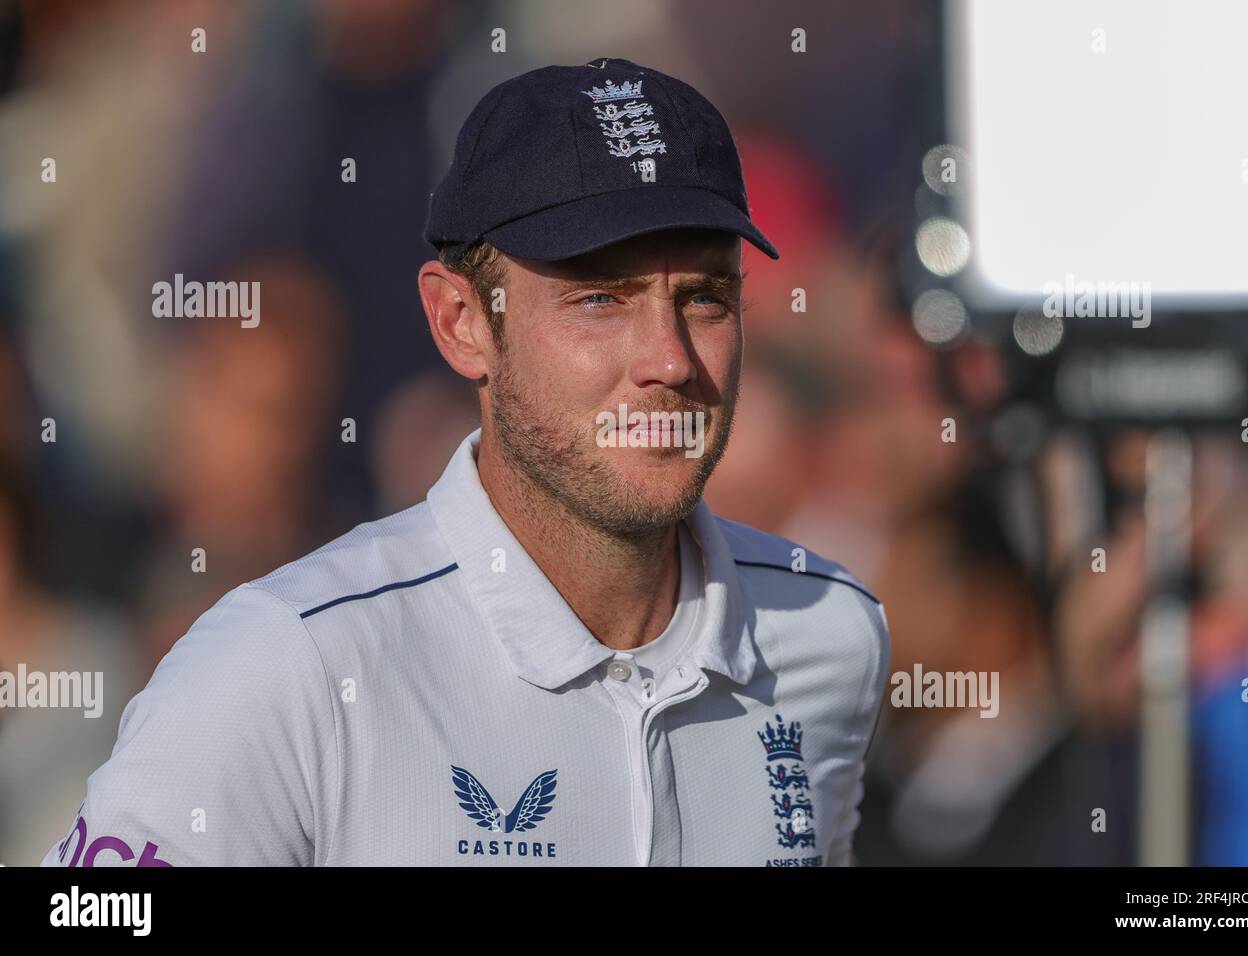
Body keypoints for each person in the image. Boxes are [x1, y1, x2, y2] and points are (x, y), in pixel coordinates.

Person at [42, 57, 889, 867]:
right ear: (460, 323)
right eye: (599, 297)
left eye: (704, 297)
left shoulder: (831, 633)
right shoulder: (284, 666)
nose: (668, 358)